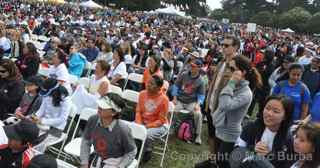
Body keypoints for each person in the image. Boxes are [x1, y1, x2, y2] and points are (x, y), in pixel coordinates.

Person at [196, 35, 240, 168]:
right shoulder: (221, 62)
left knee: (220, 138)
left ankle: (218, 162)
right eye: (223, 45)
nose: (223, 47)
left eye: (227, 45)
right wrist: (207, 102)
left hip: (222, 108)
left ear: (236, 47)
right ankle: (212, 160)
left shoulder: (236, 66)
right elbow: (214, 85)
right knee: (211, 134)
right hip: (211, 104)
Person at [210, 55, 261, 168]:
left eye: (233, 69)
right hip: (220, 128)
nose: (229, 71)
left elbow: (225, 105)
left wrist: (231, 83)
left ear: (242, 72)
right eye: (229, 67)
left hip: (230, 135)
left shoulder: (246, 93)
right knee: (216, 162)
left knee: (222, 163)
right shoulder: (232, 85)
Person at [232, 95, 294, 168]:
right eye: (267, 108)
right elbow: (236, 152)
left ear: (285, 116)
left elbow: (288, 163)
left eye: (276, 111)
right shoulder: (251, 127)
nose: (269, 113)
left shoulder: (288, 138)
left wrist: (270, 155)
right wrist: (252, 150)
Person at [80, 93, 137, 168]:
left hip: (115, 162)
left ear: (114, 112)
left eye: (103, 107)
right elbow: (86, 140)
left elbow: (131, 151)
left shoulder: (123, 130)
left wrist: (121, 166)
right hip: (97, 158)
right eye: (100, 105)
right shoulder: (93, 119)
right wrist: (84, 162)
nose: (99, 107)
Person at [135, 75, 169, 162]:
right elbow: (138, 111)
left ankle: (147, 150)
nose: (148, 84)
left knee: (146, 134)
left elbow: (161, 120)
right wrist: (139, 124)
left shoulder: (164, 99)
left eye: (151, 83)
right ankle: (133, 150)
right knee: (128, 129)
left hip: (159, 125)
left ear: (158, 88)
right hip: (142, 121)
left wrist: (146, 126)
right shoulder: (142, 94)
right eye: (148, 82)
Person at [172, 58, 205, 145]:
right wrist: (174, 98)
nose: (191, 67)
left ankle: (198, 135)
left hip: (191, 102)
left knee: (198, 114)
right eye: (191, 65)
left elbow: (201, 96)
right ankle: (171, 127)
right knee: (171, 109)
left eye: (193, 66)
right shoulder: (184, 74)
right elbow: (176, 86)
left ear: (199, 68)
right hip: (180, 99)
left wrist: (198, 104)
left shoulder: (201, 80)